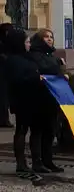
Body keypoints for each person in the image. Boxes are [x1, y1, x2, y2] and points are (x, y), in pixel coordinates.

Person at [3, 26, 42, 177]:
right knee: (21, 130)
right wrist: (35, 78)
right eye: (26, 42)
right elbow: (17, 80)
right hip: (22, 100)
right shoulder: (13, 60)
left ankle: (35, 161)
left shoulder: (27, 56)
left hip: (32, 98)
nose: (29, 44)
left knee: (33, 130)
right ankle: (21, 163)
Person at [28, 29, 65, 173]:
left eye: (51, 37)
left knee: (50, 130)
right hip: (38, 98)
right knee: (38, 131)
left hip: (51, 98)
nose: (50, 40)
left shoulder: (51, 54)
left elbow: (55, 71)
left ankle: (48, 161)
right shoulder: (35, 55)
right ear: (39, 39)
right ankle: (37, 162)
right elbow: (45, 68)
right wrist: (57, 63)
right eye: (46, 37)